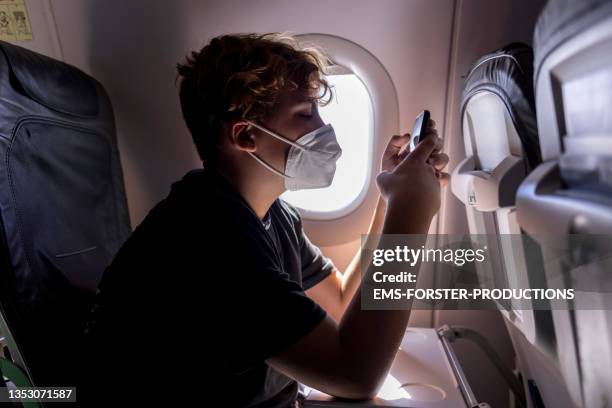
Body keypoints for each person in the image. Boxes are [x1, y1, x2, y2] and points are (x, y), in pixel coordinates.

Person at [81, 32, 449, 407]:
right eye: (305, 114)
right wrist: (412, 214)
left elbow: (340, 302)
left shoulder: (271, 214)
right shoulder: (209, 239)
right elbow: (355, 376)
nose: (322, 128)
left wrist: (389, 203)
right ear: (246, 136)